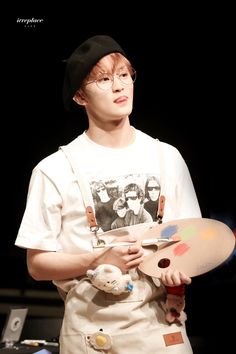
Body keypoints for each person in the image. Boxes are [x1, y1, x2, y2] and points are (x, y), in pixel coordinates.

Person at [15, 35, 201, 353]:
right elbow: (37, 264)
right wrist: (98, 259)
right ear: (79, 96)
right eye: (103, 79)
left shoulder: (166, 157)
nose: (119, 86)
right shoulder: (55, 169)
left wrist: (176, 276)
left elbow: (190, 240)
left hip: (160, 330)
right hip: (92, 337)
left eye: (124, 75)